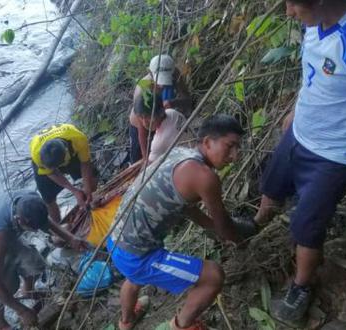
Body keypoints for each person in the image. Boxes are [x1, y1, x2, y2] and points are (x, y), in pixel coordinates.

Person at [252, 0, 346, 326]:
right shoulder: (316, 18)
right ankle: (258, 222)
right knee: (272, 182)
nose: (288, 13)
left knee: (308, 226)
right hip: (301, 132)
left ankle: (301, 285)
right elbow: (312, 70)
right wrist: (296, 110)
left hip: (334, 154)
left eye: (293, 5)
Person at [108, 115, 255, 330]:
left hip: (115, 238)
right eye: (229, 146)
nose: (235, 156)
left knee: (132, 279)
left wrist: (213, 227)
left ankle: (126, 322)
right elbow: (225, 226)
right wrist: (240, 237)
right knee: (213, 276)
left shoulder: (181, 153)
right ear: (207, 142)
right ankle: (182, 325)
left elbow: (186, 207)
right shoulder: (205, 177)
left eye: (237, 148)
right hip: (136, 255)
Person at [0, 191, 88, 330]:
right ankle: (1, 323)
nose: (36, 230)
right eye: (34, 229)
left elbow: (45, 221)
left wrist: (71, 238)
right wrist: (22, 311)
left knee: (34, 261)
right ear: (20, 220)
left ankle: (28, 291)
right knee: (1, 289)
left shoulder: (30, 199)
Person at [129, 54, 193, 163]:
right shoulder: (143, 87)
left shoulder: (174, 75)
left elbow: (188, 100)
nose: (162, 86)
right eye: (159, 82)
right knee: (140, 158)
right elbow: (141, 126)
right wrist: (145, 159)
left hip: (160, 119)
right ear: (150, 73)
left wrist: (172, 103)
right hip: (141, 125)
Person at [30, 124, 97, 223]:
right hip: (47, 162)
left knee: (93, 177)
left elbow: (85, 163)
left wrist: (87, 188)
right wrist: (74, 191)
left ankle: (93, 200)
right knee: (48, 199)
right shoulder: (38, 155)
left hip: (71, 153)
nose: (57, 169)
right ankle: (59, 225)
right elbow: (51, 173)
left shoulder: (78, 139)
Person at [132, 89, 187, 163]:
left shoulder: (158, 143)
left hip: (185, 162)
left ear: (160, 112)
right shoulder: (172, 112)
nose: (145, 123)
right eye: (141, 118)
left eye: (148, 117)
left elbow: (150, 167)